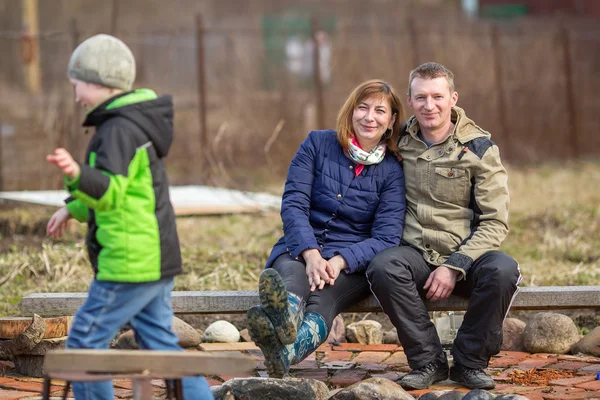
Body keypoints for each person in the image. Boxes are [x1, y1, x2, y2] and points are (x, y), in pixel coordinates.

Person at [45, 34, 213, 400]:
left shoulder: (116, 131)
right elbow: (127, 192)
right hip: (155, 257)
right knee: (162, 346)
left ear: (98, 82)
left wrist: (75, 174)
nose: (76, 97)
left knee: (85, 342)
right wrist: (71, 207)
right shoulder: (134, 124)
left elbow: (108, 192)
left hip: (129, 263)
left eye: (77, 86)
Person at [367, 62, 521, 390]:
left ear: (453, 99)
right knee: (383, 266)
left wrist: (454, 266)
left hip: (467, 258)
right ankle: (428, 362)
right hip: (416, 255)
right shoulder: (397, 143)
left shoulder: (479, 148)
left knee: (504, 269)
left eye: (437, 96)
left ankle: (469, 363)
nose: (429, 105)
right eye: (420, 97)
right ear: (409, 100)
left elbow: (495, 222)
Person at [247, 79, 406, 378]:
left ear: (391, 121)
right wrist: (310, 254)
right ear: (351, 111)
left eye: (379, 111)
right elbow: (294, 202)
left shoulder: (393, 170)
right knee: (290, 282)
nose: (369, 117)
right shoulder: (317, 144)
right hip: (299, 249)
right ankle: (282, 324)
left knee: (324, 300)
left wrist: (338, 261)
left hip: (350, 263)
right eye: (363, 108)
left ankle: (283, 350)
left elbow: (387, 236)